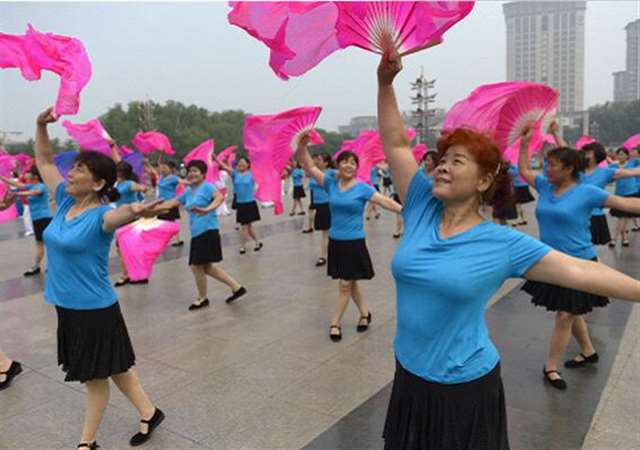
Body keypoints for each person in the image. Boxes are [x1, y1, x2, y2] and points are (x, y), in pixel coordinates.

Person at [377, 49, 640, 450]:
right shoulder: (419, 205)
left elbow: (580, 272)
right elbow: (396, 145)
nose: (442, 166)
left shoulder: (502, 243)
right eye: (441, 159)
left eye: (456, 161)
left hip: (462, 387)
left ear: (483, 181)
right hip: (409, 374)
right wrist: (385, 84)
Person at [34, 107, 166, 448]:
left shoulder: (101, 214)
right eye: (75, 166)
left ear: (98, 183)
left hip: (93, 308)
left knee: (95, 377)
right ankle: (150, 412)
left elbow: (118, 216)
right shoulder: (64, 199)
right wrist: (40, 126)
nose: (72, 172)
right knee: (117, 367)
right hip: (66, 304)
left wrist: (136, 210)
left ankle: (86, 442)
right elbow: (45, 162)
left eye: (81, 170)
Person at [518, 129, 640, 390]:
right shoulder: (544, 186)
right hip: (550, 263)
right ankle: (588, 350)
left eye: (552, 165)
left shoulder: (588, 192)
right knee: (572, 312)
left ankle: (550, 366)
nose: (547, 169)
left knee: (565, 314)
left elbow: (627, 205)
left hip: (580, 264)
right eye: (547, 164)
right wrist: (525, 144)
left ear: (570, 168)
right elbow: (524, 170)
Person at [296, 134, 402, 342]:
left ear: (357, 167)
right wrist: (301, 146)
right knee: (351, 283)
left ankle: (335, 322)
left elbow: (384, 202)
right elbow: (309, 167)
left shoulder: (362, 187)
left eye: (353, 162)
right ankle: (365, 313)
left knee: (345, 284)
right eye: (345, 161)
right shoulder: (330, 184)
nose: (349, 165)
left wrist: (407, 211)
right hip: (336, 242)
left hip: (354, 242)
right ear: (338, 164)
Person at [155, 160, 246, 310]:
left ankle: (202, 298)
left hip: (208, 231)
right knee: (207, 267)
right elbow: (172, 203)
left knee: (196, 267)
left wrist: (207, 209)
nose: (192, 173)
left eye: (195, 171)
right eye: (190, 171)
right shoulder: (188, 191)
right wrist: (150, 209)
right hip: (197, 233)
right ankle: (236, 287)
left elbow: (219, 198)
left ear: (203, 174)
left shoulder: (207, 187)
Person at [0, 165, 53, 276]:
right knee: (39, 243)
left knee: (49, 243)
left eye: (28, 172)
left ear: (36, 176)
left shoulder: (41, 186)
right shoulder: (30, 186)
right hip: (36, 219)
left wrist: (18, 193)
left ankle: (51, 265)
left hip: (45, 218)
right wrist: (1, 177)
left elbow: (35, 193)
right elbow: (15, 184)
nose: (25, 174)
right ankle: (37, 266)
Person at [213, 155, 263, 254]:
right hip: (241, 204)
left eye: (243, 162)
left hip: (250, 203)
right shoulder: (235, 174)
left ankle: (243, 246)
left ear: (248, 164)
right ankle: (257, 242)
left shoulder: (252, 174)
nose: (240, 163)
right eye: (239, 162)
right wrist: (216, 158)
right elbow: (224, 166)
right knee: (246, 226)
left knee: (246, 226)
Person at [146, 157, 185, 247]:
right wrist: (147, 163)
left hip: (170, 203)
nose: (162, 169)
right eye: (162, 168)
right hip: (161, 203)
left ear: (171, 169)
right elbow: (153, 171)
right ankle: (175, 240)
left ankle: (167, 240)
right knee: (166, 222)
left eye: (165, 168)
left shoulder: (173, 178)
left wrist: (194, 182)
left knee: (167, 222)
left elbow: (183, 181)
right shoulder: (161, 177)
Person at [306, 153, 334, 265]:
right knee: (325, 231)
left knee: (326, 232)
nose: (317, 161)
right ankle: (326, 254)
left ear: (326, 162)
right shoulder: (314, 172)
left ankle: (323, 256)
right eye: (316, 159)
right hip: (319, 204)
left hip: (328, 203)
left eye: (319, 159)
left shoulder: (330, 172)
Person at [608, 148, 640, 247]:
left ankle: (614, 239)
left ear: (627, 155)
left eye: (622, 154)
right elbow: (608, 176)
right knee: (622, 218)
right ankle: (625, 239)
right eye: (619, 154)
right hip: (619, 194)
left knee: (623, 218)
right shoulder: (613, 166)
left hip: (631, 193)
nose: (620, 156)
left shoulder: (633, 163)